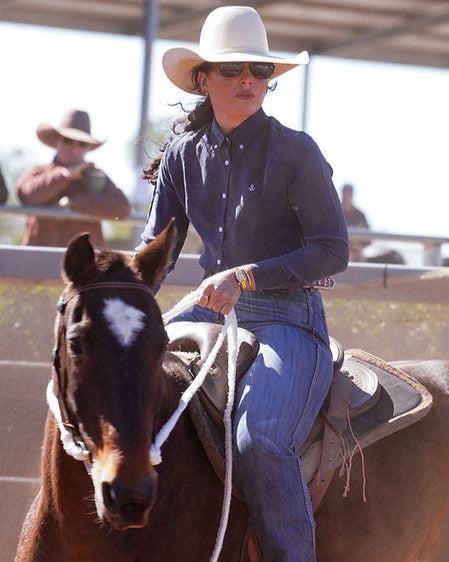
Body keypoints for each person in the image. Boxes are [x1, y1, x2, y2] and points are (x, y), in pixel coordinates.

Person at [137, 6, 349, 561]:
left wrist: (247, 276)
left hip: (289, 318)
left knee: (260, 442)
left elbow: (333, 250)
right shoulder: (183, 155)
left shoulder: (297, 151)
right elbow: (153, 251)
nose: (249, 80)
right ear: (203, 80)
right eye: (233, 70)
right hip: (209, 308)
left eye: (259, 70)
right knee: (116, 380)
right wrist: (113, 286)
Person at [15, 109, 131, 247]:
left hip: (84, 265)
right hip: (39, 260)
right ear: (57, 141)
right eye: (68, 141)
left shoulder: (96, 176)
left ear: (87, 148)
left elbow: (122, 210)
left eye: (82, 144)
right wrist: (66, 175)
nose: (74, 148)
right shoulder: (38, 171)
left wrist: (74, 202)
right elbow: (26, 195)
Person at [340, 183, 369, 261]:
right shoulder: (335, 212)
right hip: (338, 250)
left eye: (348, 194)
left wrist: (356, 249)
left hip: (357, 253)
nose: (346, 197)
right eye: (345, 194)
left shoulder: (360, 216)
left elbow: (368, 239)